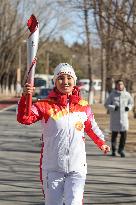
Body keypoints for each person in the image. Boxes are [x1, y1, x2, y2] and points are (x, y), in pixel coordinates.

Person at [17, 63, 110, 205]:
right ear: (55, 82)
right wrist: (25, 98)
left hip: (77, 167)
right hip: (52, 168)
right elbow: (25, 118)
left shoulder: (83, 106)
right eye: (60, 78)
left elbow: (91, 127)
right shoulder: (45, 105)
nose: (65, 82)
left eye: (69, 78)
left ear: (74, 81)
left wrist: (102, 143)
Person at [105, 79, 133, 158]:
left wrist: (128, 107)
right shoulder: (112, 95)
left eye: (121, 84)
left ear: (123, 85)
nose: (120, 86)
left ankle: (121, 150)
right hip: (115, 119)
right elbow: (106, 104)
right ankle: (114, 150)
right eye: (118, 84)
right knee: (114, 135)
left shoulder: (127, 94)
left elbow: (131, 103)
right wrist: (113, 107)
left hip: (124, 119)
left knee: (124, 136)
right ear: (116, 85)